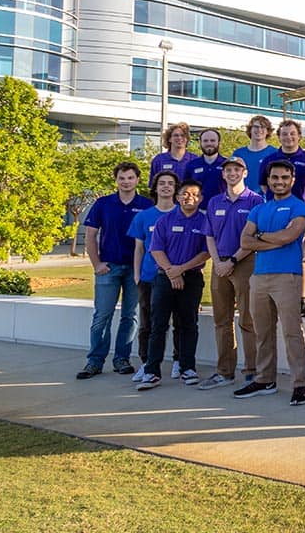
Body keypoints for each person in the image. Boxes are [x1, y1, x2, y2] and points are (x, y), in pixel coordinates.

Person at [234, 160, 305, 406]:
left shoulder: (299, 207)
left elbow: (290, 236)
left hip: (287, 276)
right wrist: (273, 239)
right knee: (262, 331)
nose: (279, 182)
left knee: (291, 332)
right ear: (268, 180)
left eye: (284, 177)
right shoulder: (259, 209)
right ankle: (265, 379)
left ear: (292, 179)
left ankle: (300, 384)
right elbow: (245, 241)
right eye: (275, 178)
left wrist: (261, 237)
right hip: (259, 276)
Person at [77, 161, 152, 380]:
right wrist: (96, 263)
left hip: (135, 270)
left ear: (137, 179)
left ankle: (122, 359)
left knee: (130, 316)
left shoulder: (147, 205)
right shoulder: (103, 204)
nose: (126, 181)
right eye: (122, 178)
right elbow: (90, 236)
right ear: (116, 180)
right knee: (102, 316)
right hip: (108, 267)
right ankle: (95, 361)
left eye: (130, 177)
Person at [138, 180, 209, 390]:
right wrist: (172, 271)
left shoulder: (205, 222)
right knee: (158, 325)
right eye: (186, 194)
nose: (190, 198)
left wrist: (182, 269)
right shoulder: (165, 221)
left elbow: (206, 252)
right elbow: (156, 250)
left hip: (192, 279)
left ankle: (188, 368)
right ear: (178, 197)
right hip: (164, 278)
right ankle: (152, 371)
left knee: (188, 324)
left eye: (195, 195)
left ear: (201, 199)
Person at [201, 155, 264, 390]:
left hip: (245, 263)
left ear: (245, 173)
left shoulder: (256, 201)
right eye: (228, 170)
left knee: (248, 320)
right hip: (219, 265)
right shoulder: (215, 202)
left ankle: (251, 371)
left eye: (237, 169)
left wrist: (234, 260)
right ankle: (224, 371)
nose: (232, 173)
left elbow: (255, 237)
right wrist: (218, 262)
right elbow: (209, 236)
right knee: (222, 321)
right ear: (223, 174)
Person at [260, 119, 305, 316]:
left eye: (292, 133)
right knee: (275, 248)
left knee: (303, 254)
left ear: (298, 135)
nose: (288, 137)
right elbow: (264, 186)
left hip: (300, 210)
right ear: (279, 136)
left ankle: (302, 299)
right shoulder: (270, 159)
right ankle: (274, 295)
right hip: (275, 210)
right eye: (284, 134)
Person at [127, 171, 177, 382]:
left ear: (176, 188)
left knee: (181, 322)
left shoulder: (184, 214)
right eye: (162, 183)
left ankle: (179, 361)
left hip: (177, 276)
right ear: (155, 188)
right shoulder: (143, 216)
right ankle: (147, 363)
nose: (166, 187)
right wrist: (137, 275)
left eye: (170, 184)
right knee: (148, 324)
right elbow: (139, 249)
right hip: (149, 277)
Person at [233, 115, 277, 194]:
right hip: (242, 199)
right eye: (256, 127)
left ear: (268, 131)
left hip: (266, 201)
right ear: (250, 130)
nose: (259, 130)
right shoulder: (238, 154)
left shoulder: (275, 154)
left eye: (263, 127)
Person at [190, 128, 226, 209]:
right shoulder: (192, 165)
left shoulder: (227, 164)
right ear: (200, 143)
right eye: (205, 141)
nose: (209, 143)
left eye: (212, 140)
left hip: (222, 210)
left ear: (219, 143)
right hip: (198, 211)